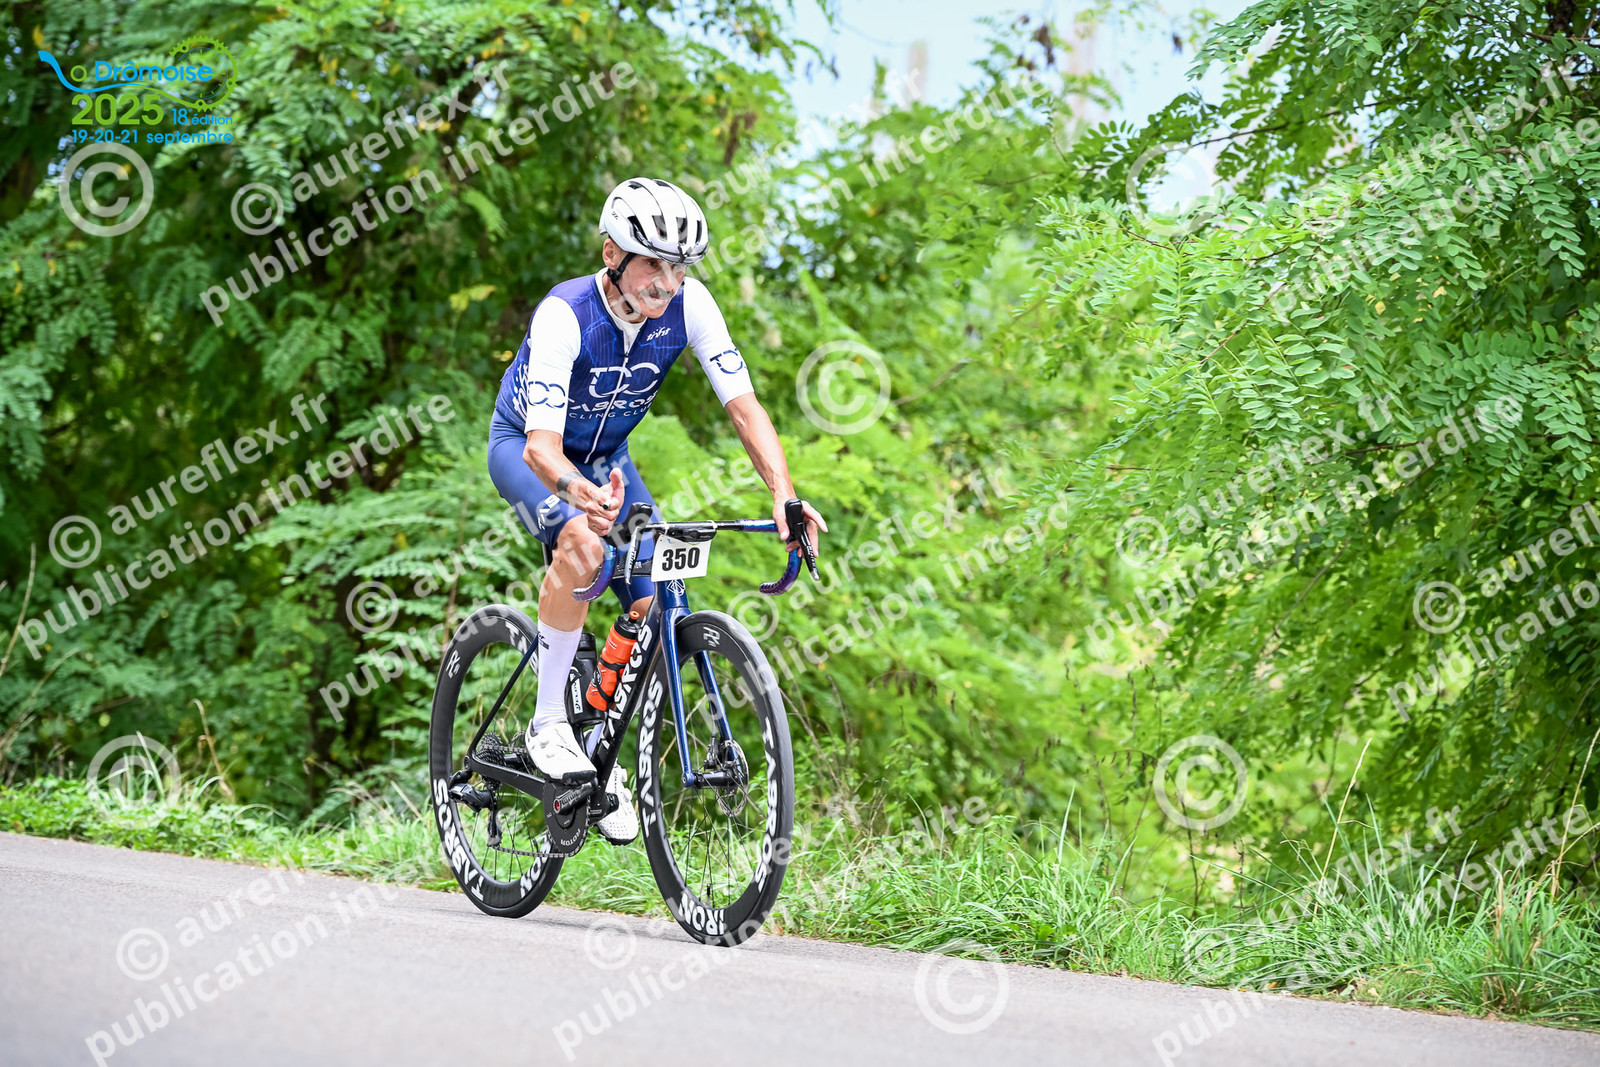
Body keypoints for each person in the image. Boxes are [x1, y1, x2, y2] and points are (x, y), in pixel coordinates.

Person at [487, 177, 826, 844]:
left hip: (609, 462)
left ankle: (594, 747)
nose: (668, 283)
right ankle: (547, 723)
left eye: (680, 267)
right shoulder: (565, 315)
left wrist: (783, 494)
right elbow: (540, 449)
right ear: (612, 253)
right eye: (654, 264)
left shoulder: (690, 306)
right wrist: (579, 496)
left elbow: (744, 408)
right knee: (584, 546)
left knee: (656, 596)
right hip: (529, 453)